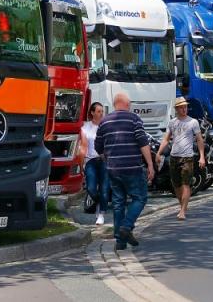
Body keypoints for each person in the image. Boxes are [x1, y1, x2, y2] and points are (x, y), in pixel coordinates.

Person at [95, 92, 155, 250]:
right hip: (132, 168)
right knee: (140, 198)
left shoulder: (104, 122)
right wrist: (150, 164)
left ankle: (120, 241)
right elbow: (143, 142)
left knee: (118, 203)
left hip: (113, 169)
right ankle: (126, 227)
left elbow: (98, 147)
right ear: (127, 105)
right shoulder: (134, 119)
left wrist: (107, 158)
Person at [155, 97, 205, 221]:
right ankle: (182, 205)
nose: (184, 109)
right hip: (174, 156)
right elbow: (166, 139)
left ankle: (182, 210)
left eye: (186, 107)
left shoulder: (193, 122)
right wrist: (159, 153)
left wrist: (202, 157)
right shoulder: (172, 123)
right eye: (181, 107)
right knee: (176, 185)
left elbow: (199, 139)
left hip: (187, 157)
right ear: (177, 109)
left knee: (186, 184)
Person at [79, 102, 110, 225]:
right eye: (98, 111)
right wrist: (82, 165)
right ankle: (99, 202)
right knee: (91, 188)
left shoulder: (106, 126)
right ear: (92, 113)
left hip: (104, 160)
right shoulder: (86, 127)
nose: (101, 113)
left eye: (102, 111)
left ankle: (101, 213)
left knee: (104, 188)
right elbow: (84, 146)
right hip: (91, 160)